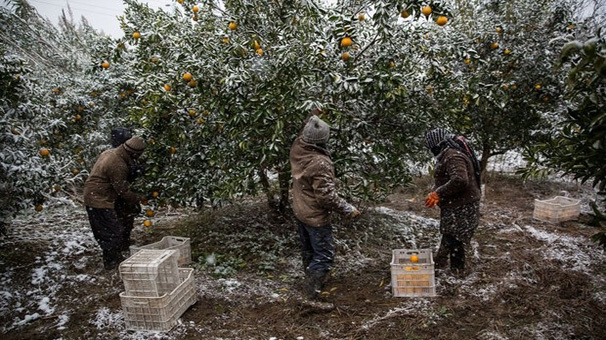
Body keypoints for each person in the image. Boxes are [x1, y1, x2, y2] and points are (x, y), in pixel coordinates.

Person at [290, 115, 361, 300]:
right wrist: (347, 209)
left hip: (300, 210)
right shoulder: (320, 163)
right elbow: (326, 196)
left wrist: (313, 116)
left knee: (309, 250)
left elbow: (306, 130)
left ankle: (311, 280)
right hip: (315, 216)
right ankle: (310, 297)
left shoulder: (298, 147)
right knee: (324, 256)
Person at [424, 128, 481, 275]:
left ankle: (457, 271)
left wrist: (438, 193)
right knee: (450, 232)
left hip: (462, 205)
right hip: (456, 204)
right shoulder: (449, 154)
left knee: (456, 238)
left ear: (438, 145)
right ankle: (440, 261)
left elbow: (460, 180)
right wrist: (436, 192)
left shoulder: (452, 156)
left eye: (432, 148)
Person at [83, 136, 146, 270]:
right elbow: (122, 191)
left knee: (114, 228)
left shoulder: (111, 153)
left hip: (97, 194)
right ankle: (111, 262)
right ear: (133, 153)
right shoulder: (117, 164)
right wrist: (140, 197)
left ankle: (115, 255)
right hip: (99, 200)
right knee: (110, 231)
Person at [110, 127, 145, 251]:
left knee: (126, 219)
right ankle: (120, 246)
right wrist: (137, 198)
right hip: (117, 195)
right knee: (121, 220)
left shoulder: (121, 154)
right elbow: (121, 187)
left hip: (122, 194)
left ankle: (124, 242)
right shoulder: (116, 159)